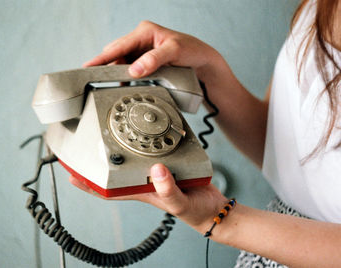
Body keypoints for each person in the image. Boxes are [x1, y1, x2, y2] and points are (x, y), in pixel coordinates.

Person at [70, 0, 341, 267]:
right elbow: (286, 150)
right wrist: (207, 70)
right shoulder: (318, 4)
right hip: (271, 242)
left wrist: (221, 220)